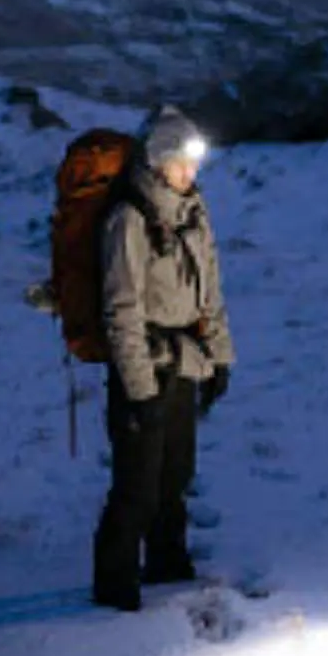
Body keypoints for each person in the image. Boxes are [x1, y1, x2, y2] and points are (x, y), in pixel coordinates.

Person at [92, 105, 235, 611]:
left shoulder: (193, 211)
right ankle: (115, 589)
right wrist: (139, 389)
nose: (191, 173)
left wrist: (220, 358)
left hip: (185, 361)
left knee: (175, 474)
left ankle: (169, 566)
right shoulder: (128, 219)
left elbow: (208, 291)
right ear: (157, 162)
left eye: (194, 163)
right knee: (137, 484)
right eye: (181, 163)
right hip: (144, 367)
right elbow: (121, 308)